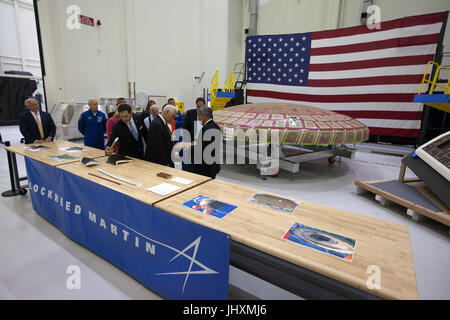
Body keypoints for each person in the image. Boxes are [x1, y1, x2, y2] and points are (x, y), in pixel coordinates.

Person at [192, 106, 221, 179]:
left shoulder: (206, 129)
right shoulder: (216, 126)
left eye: (199, 116)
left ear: (204, 116)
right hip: (213, 164)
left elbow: (201, 149)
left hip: (205, 167)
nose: (198, 119)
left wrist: (188, 147)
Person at [182, 97, 206, 172]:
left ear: (204, 105)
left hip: (202, 142)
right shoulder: (190, 113)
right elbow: (184, 127)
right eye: (198, 107)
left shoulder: (208, 114)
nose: (199, 108)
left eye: (201, 106)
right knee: (191, 162)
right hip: (192, 141)